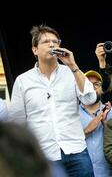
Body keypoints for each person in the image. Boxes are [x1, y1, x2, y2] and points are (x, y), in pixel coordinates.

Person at [8, 24, 96, 177]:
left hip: (76, 151)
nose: (52, 44)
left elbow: (90, 98)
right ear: (35, 50)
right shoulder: (23, 81)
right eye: (46, 42)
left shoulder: (71, 72)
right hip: (43, 155)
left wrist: (73, 65)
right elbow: (18, 121)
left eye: (56, 42)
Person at [80, 70, 112, 177]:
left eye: (96, 84)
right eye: (88, 84)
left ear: (102, 89)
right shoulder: (71, 114)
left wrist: (105, 124)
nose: (92, 87)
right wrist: (87, 130)